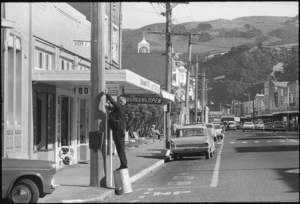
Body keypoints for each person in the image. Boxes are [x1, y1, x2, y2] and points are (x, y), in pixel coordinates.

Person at [100, 92, 128, 170]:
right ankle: (123, 164)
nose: (117, 101)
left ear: (120, 102)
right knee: (119, 148)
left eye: (118, 100)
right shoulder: (118, 109)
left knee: (120, 148)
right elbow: (112, 107)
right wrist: (108, 106)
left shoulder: (120, 108)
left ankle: (124, 164)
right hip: (117, 130)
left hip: (118, 130)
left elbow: (113, 103)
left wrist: (107, 94)